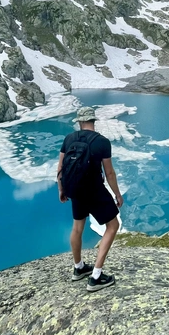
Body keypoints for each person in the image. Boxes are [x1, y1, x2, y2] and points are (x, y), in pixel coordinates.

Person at [57, 106, 124, 292]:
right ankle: (96, 276)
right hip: (93, 190)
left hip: (74, 189)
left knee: (77, 227)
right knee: (112, 226)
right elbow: (109, 173)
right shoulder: (102, 142)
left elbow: (61, 168)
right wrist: (117, 194)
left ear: (79, 121)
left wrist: (62, 189)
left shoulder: (69, 139)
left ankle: (78, 268)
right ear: (93, 121)